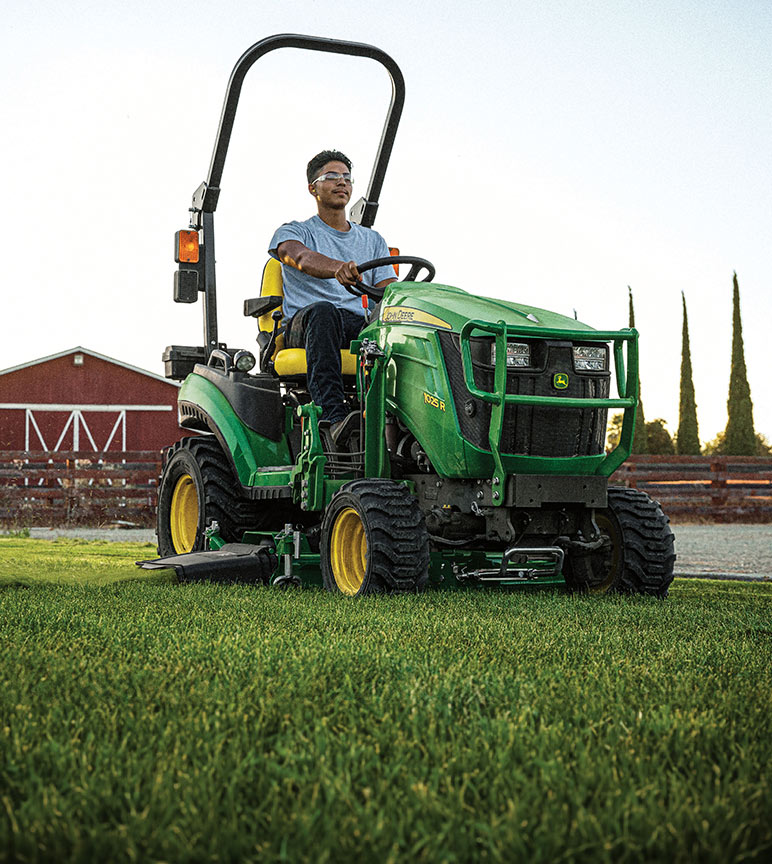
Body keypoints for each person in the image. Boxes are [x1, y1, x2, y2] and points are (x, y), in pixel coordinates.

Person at [268, 150, 396, 435]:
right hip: (305, 325)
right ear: (313, 188)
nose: (342, 183)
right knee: (324, 311)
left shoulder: (372, 240)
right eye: (332, 177)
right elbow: (297, 257)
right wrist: (337, 268)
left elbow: (386, 288)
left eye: (347, 178)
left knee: (401, 329)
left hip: (355, 324)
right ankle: (334, 417)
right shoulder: (295, 231)